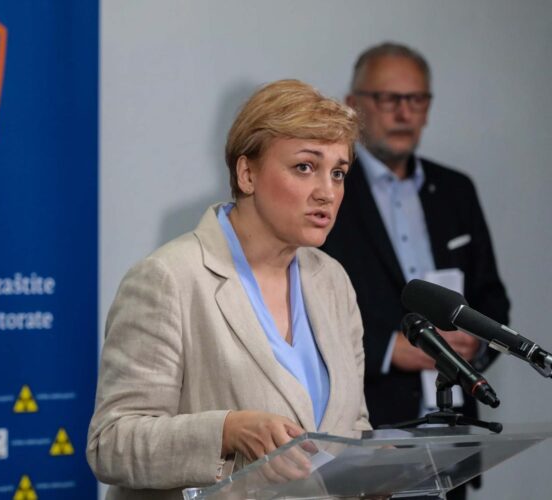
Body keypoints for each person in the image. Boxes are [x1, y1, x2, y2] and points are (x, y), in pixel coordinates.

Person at [87, 80, 371, 499]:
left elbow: (352, 425)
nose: (327, 193)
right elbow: (111, 444)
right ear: (247, 174)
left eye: (338, 173)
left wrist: (375, 473)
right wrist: (226, 430)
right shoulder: (169, 278)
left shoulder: (332, 281)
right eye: (304, 167)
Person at [322, 42, 510, 499]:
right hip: (367, 434)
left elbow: (491, 296)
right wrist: (389, 349)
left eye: (417, 99)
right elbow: (308, 310)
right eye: (389, 99)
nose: (404, 113)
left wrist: (475, 344)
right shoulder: (328, 193)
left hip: (451, 435)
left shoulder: (456, 190)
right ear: (353, 106)